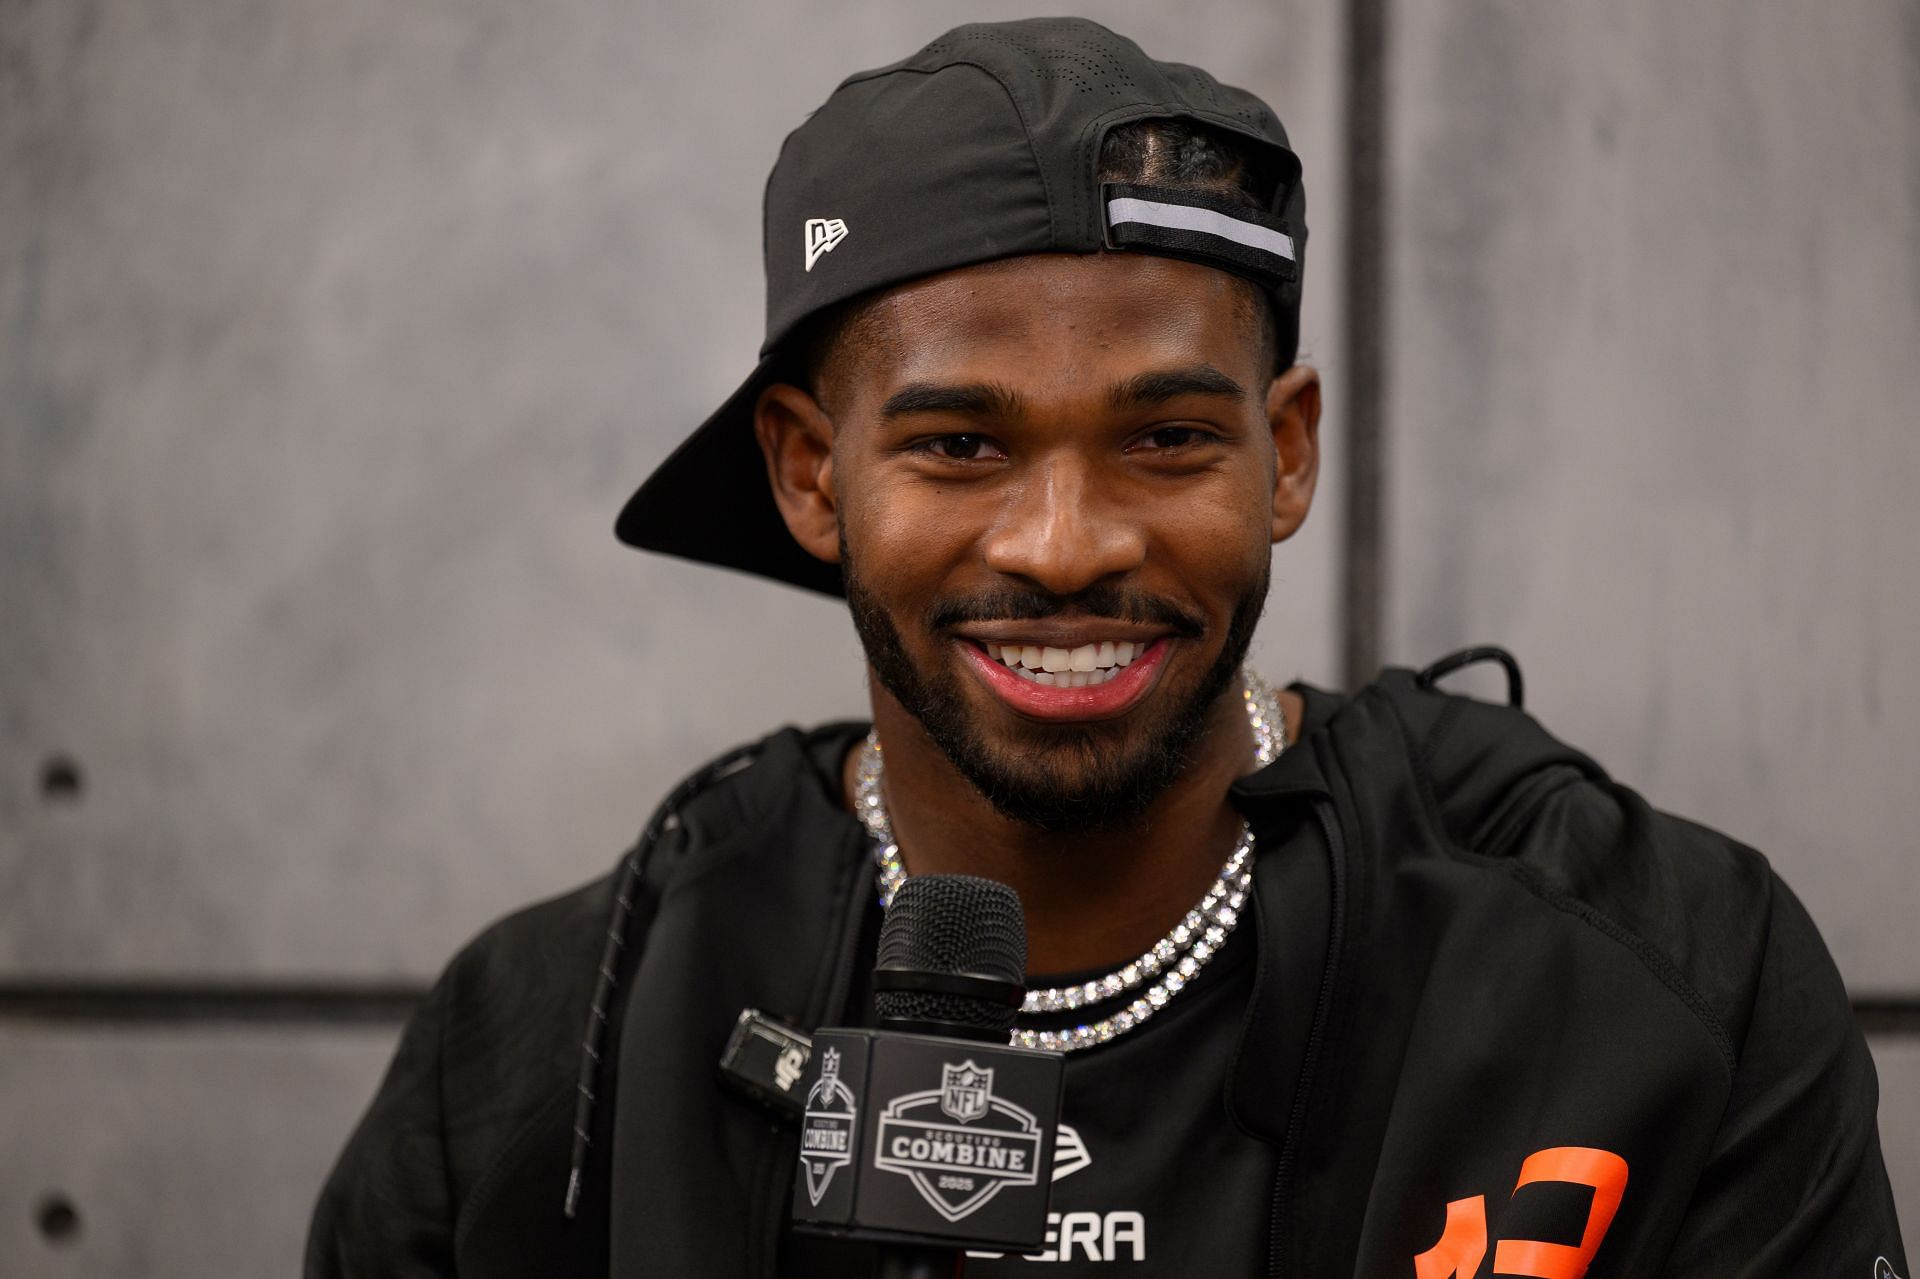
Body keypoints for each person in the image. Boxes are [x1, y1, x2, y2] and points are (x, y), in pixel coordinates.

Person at [306, 18, 1908, 1278]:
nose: (1065, 544)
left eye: (1163, 439)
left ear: (1286, 455)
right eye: (956, 447)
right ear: (810, 472)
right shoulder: (553, 1050)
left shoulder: (1661, 983)